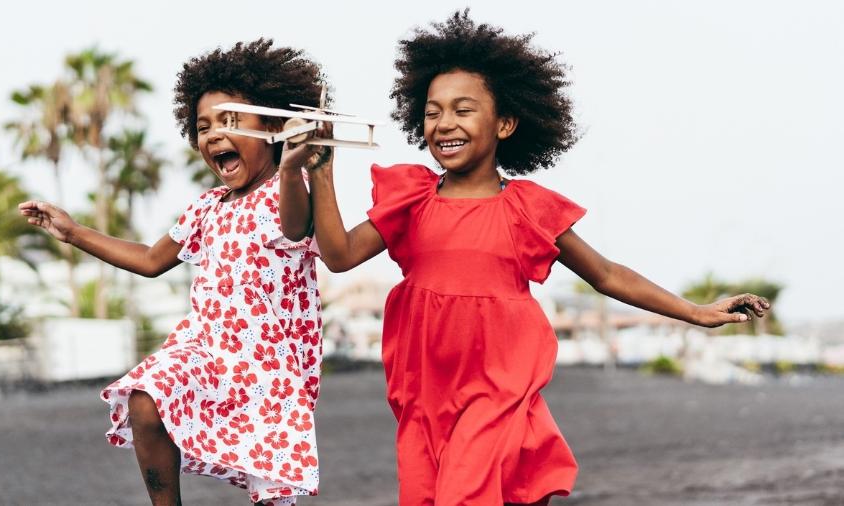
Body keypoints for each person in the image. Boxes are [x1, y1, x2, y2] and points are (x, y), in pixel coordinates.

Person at [280, 11, 770, 506]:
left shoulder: (528, 209)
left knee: (464, 495)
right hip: (423, 396)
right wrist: (320, 173)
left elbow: (606, 274)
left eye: (463, 110)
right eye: (433, 111)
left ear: (506, 123)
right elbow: (339, 256)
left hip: (497, 391)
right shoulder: (411, 199)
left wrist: (696, 311)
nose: (444, 123)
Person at [19, 40, 329, 506]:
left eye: (229, 121)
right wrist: (74, 231)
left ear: (273, 127)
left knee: (272, 493)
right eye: (203, 126)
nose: (212, 135)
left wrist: (291, 165)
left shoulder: (291, 190)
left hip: (271, 370)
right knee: (145, 398)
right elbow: (149, 260)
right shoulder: (207, 207)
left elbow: (295, 225)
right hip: (208, 349)